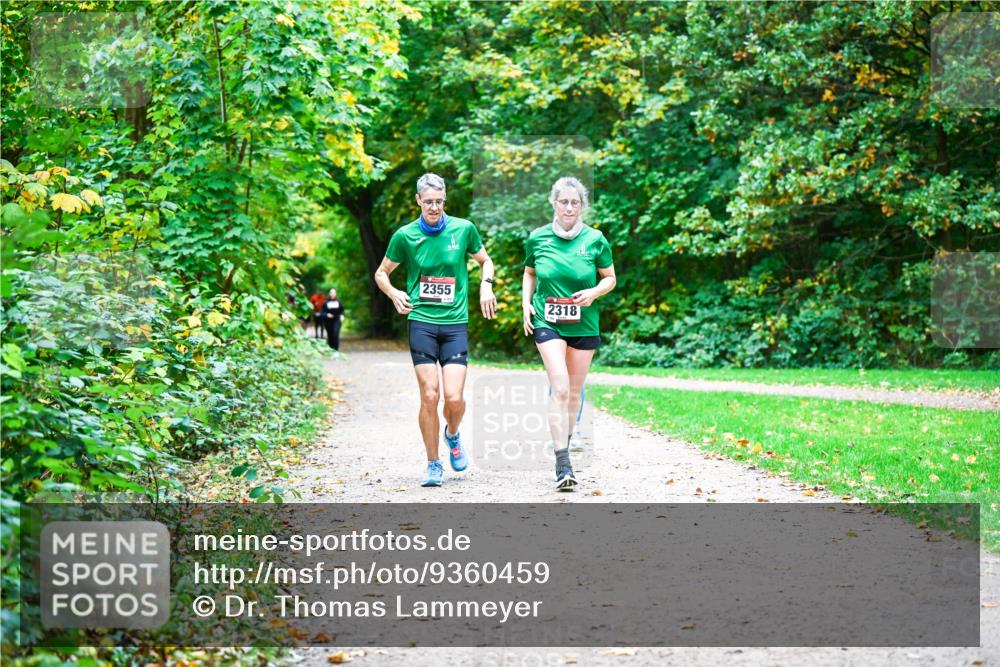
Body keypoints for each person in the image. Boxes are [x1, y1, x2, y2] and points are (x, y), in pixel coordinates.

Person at [374, 173, 497, 487]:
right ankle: (432, 464)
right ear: (418, 200)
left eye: (439, 202)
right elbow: (381, 273)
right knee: (430, 395)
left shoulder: (463, 229)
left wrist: (486, 286)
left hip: (455, 324)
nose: (433, 207)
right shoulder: (405, 236)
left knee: (454, 399)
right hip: (422, 323)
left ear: (445, 200)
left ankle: (452, 435)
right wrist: (394, 293)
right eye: (428, 202)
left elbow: (486, 261)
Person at [522, 177, 615, 490]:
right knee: (560, 388)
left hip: (584, 322)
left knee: (574, 393)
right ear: (554, 203)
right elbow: (530, 272)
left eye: (575, 202)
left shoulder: (595, 239)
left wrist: (593, 293)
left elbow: (610, 279)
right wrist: (525, 304)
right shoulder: (537, 238)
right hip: (548, 320)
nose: (570, 207)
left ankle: (564, 439)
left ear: (582, 205)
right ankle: (563, 463)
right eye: (564, 201)